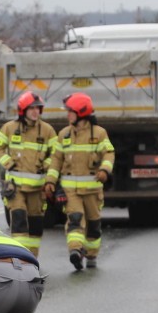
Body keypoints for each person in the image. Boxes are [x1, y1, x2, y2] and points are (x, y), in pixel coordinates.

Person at [44, 91, 115, 271]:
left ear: (81, 113)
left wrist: (105, 170)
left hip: (92, 191)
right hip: (71, 192)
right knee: (75, 220)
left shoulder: (99, 133)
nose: (67, 114)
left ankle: (91, 256)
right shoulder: (64, 134)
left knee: (93, 225)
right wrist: (50, 181)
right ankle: (75, 251)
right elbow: (56, 160)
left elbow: (109, 153)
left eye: (70, 111)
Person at [0, 90, 58, 255]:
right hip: (16, 188)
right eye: (32, 108)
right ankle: (20, 258)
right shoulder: (10, 128)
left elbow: (57, 154)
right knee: (19, 220)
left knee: (35, 225)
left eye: (38, 108)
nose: (36, 112)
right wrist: (8, 162)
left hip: (37, 188)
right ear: (23, 110)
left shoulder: (48, 130)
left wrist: (47, 166)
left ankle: (32, 258)